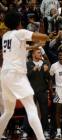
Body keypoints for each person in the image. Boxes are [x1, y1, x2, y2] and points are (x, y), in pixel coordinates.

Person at [0, 11, 48, 140]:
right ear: (19, 22)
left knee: (8, 112)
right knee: (31, 107)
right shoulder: (20, 33)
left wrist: (33, 47)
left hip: (5, 75)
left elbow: (18, 48)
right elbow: (42, 36)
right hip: (16, 73)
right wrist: (48, 36)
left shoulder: (6, 35)